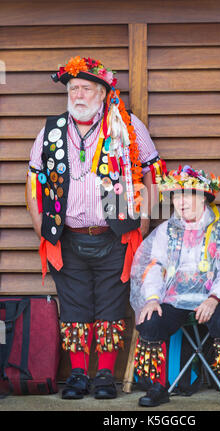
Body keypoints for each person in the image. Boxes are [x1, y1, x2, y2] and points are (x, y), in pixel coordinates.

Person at [26, 55, 165, 400]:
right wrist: (41, 226)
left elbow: (152, 173)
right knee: (73, 308)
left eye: (86, 88)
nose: (78, 95)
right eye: (73, 88)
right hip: (67, 235)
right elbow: (32, 181)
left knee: (110, 307)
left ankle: (104, 375)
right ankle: (76, 376)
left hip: (115, 233)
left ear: (103, 93)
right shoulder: (51, 130)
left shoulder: (127, 125)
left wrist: (144, 223)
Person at [130, 165, 220, 407]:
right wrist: (153, 297)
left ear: (204, 199)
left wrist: (214, 297)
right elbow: (154, 266)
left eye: (188, 195)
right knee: (150, 319)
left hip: (213, 297)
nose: (181, 202)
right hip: (175, 298)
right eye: (177, 196)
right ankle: (158, 386)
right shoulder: (167, 231)